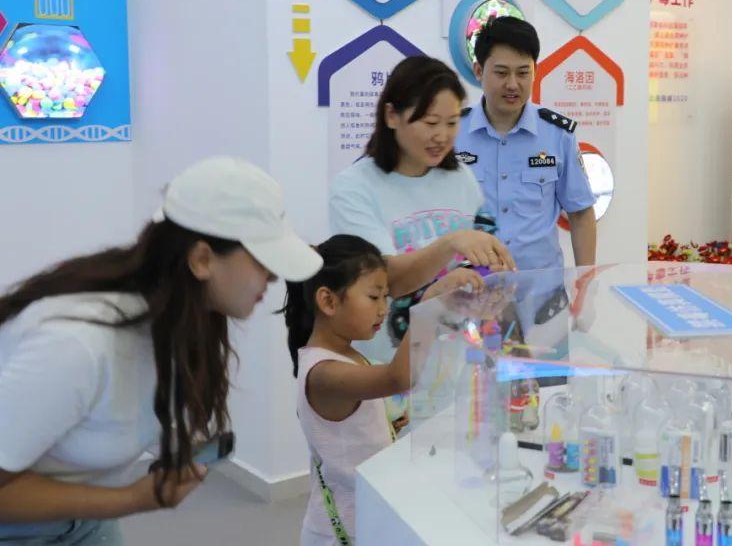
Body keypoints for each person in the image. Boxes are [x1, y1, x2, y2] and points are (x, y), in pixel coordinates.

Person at [0, 157, 322, 544]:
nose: (273, 276)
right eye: (262, 260)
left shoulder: (179, 322)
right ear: (201, 259)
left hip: (84, 523)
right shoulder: (75, 344)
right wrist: (130, 499)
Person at [329, 55, 514, 362]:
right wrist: (451, 244)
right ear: (392, 115)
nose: (442, 135)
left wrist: (491, 278)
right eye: (430, 123)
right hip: (384, 368)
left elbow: (487, 253)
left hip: (454, 362)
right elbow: (386, 280)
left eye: (452, 123)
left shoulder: (460, 178)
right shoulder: (354, 188)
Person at [279, 234, 454, 546]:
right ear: (328, 301)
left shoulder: (346, 355)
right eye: (374, 297)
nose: (384, 309)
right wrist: (432, 305)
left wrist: (384, 423)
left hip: (367, 517)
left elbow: (350, 429)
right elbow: (397, 378)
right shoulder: (322, 372)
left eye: (386, 297)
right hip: (343, 530)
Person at [455, 16, 597, 274]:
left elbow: (580, 213)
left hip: (542, 290)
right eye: (501, 73)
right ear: (478, 71)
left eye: (523, 73)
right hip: (472, 288)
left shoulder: (557, 134)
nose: (512, 84)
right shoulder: (453, 132)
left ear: (535, 71)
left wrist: (585, 280)